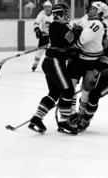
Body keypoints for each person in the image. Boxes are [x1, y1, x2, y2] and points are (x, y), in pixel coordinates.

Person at [28, 3, 80, 135]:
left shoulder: (58, 25)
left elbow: (65, 43)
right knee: (68, 90)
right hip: (55, 62)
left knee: (54, 93)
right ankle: (64, 123)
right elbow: (71, 39)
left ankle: (36, 119)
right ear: (59, 14)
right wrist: (76, 31)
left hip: (51, 62)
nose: (68, 15)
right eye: (65, 13)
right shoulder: (58, 25)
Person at [72, 22, 108, 132]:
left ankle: (85, 120)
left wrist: (92, 73)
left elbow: (105, 63)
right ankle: (80, 116)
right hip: (98, 75)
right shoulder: (92, 44)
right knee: (86, 94)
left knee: (93, 97)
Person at [67, 1, 108, 122]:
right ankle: (71, 113)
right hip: (78, 59)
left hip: (92, 61)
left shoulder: (97, 24)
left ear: (101, 13)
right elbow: (74, 25)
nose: (90, 10)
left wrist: (71, 45)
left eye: (93, 9)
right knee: (70, 86)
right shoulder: (86, 17)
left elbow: (82, 39)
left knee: (86, 91)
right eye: (90, 8)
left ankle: (80, 115)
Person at [31, 1, 53, 72]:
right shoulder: (42, 13)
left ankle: (54, 65)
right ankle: (35, 64)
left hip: (53, 36)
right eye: (45, 7)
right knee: (39, 51)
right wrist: (37, 29)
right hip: (44, 35)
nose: (47, 8)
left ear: (51, 7)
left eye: (49, 7)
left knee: (52, 52)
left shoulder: (55, 14)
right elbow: (36, 23)